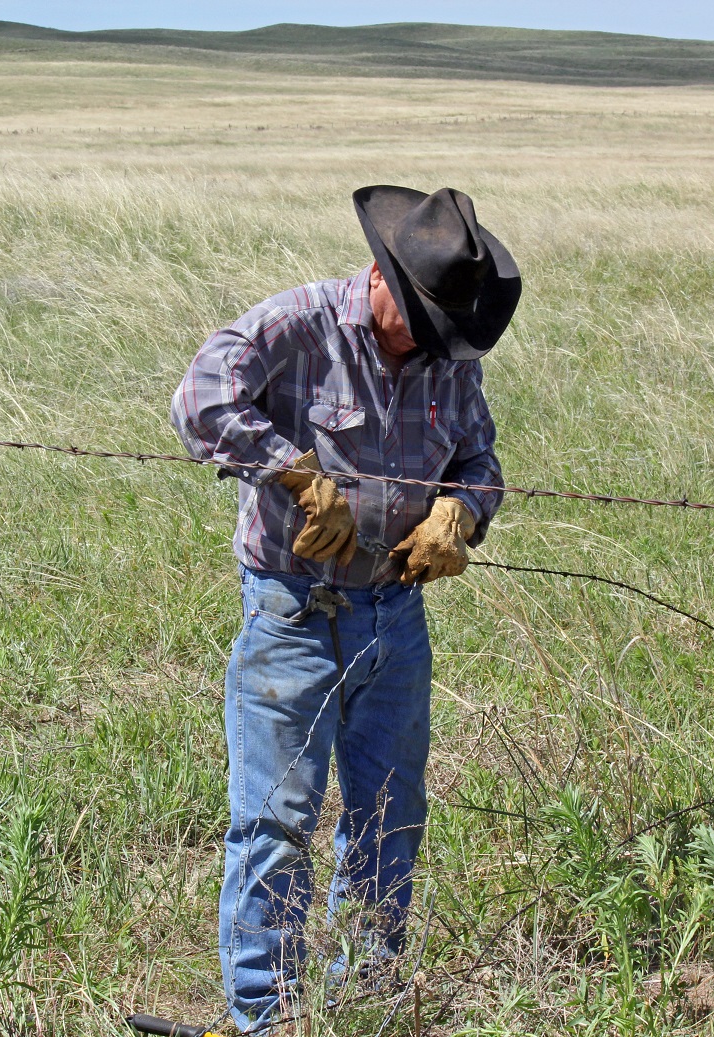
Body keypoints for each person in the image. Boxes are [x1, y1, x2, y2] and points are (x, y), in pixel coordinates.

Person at [170, 185, 519, 1031]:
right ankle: (270, 1017)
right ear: (378, 275)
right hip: (294, 612)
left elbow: (481, 458)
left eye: (445, 335)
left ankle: (364, 1002)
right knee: (276, 824)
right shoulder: (295, 326)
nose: (430, 347)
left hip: (395, 617)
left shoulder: (448, 357)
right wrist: (290, 470)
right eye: (418, 324)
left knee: (389, 816)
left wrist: (460, 511)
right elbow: (197, 402)